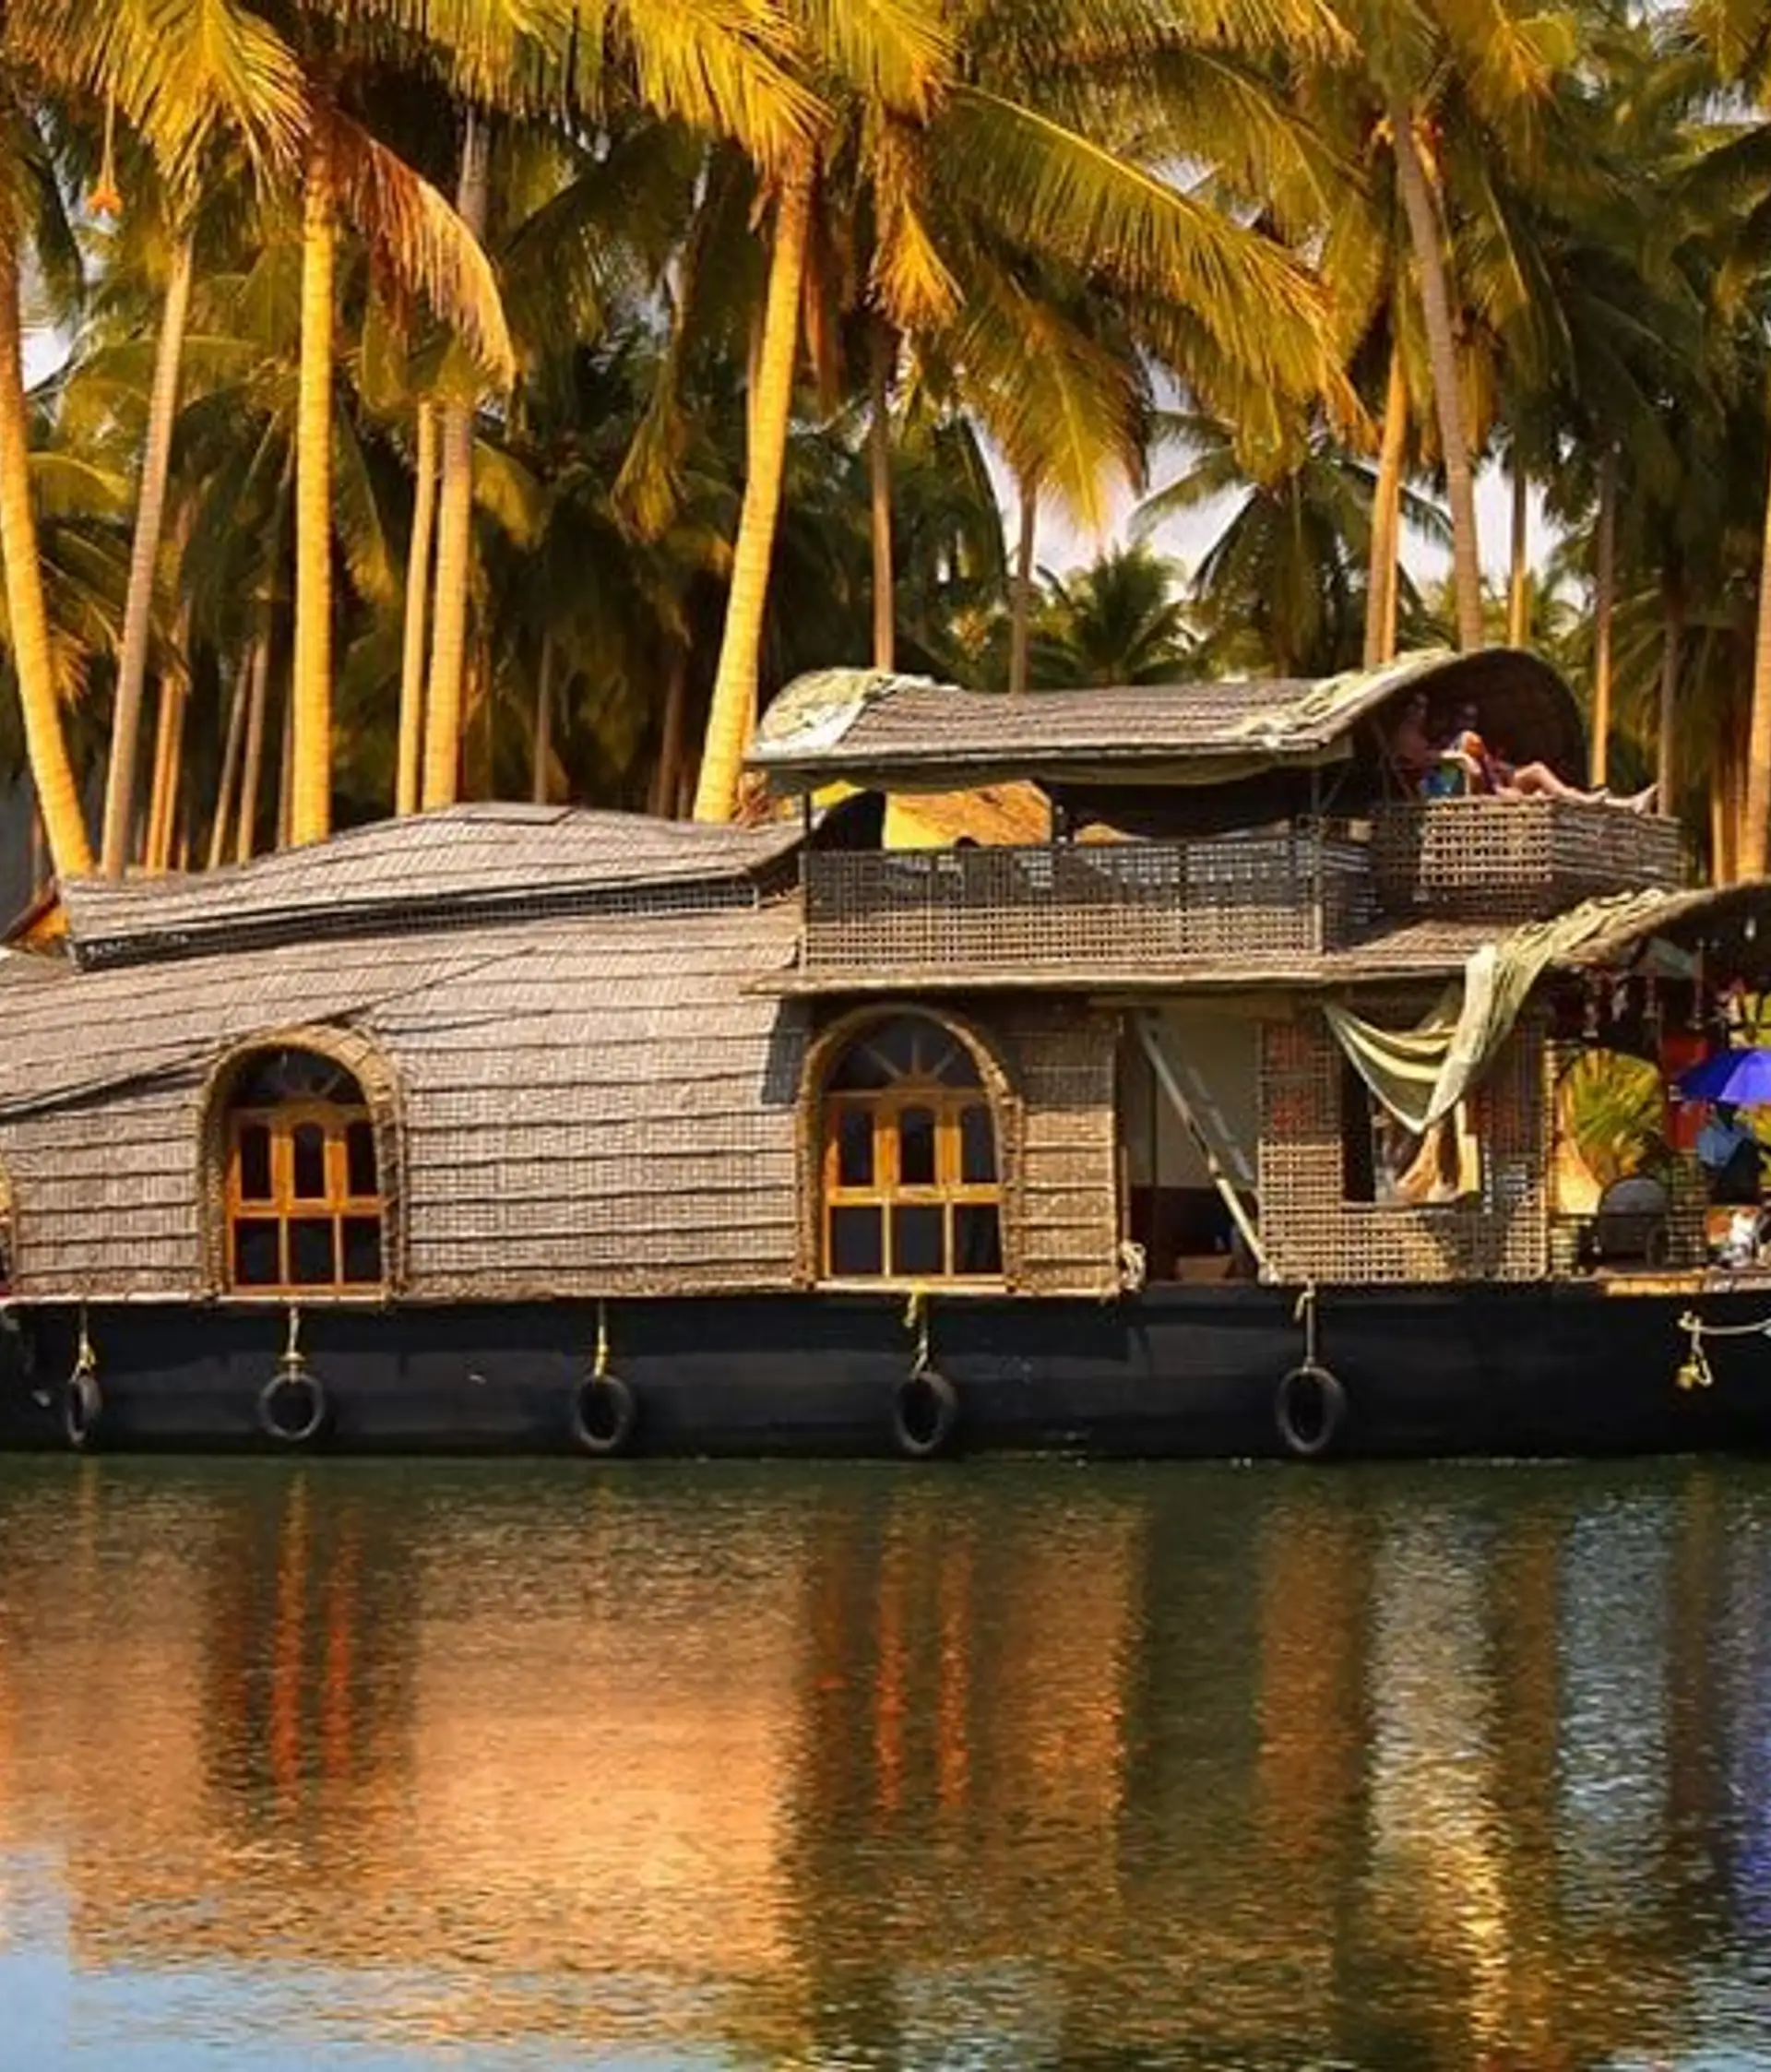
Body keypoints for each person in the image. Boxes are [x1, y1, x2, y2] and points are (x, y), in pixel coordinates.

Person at [1696, 1101, 1768, 1205]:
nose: (1730, 1109)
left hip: (1750, 1190)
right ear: (1717, 1108)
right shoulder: (1709, 1133)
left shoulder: (1743, 1129)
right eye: (1726, 1106)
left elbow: (1757, 1148)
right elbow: (1708, 1165)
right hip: (1726, 1191)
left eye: (1732, 1105)